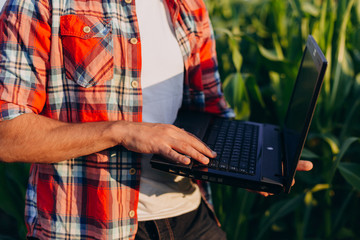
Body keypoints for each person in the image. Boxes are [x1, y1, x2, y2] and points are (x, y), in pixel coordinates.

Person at [0, 0, 313, 239]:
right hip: (88, 225)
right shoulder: (38, 5)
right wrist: (121, 132)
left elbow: (210, 106)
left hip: (190, 216)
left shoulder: (186, 5)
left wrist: (254, 162)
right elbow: (7, 135)